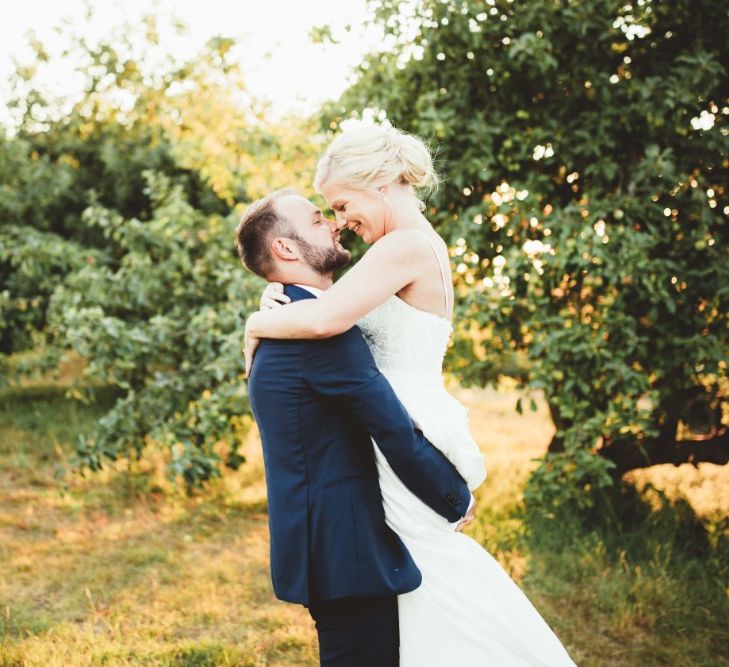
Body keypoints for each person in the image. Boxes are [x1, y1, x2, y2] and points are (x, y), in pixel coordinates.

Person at [243, 124, 578, 666]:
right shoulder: (402, 246)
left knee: (433, 582)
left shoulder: (404, 245)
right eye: (328, 211)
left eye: (342, 204)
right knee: (423, 590)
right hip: (390, 425)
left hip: (403, 426)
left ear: (378, 181)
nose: (341, 222)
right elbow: (325, 318)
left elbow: (327, 318)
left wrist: (256, 325)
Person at [234, 188, 476, 666]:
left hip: (330, 545)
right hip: (346, 552)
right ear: (285, 248)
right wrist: (456, 498)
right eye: (317, 218)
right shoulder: (318, 334)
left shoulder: (293, 319)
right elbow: (393, 429)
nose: (334, 224)